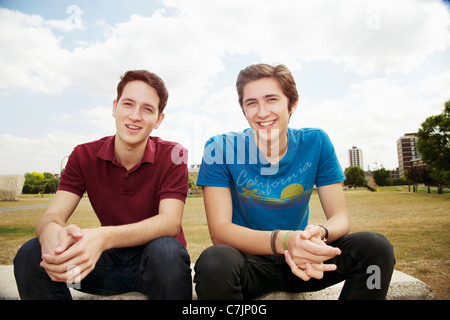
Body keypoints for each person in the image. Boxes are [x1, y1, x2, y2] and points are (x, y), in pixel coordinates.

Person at [194, 63, 395, 300]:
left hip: (304, 260)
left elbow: (340, 218)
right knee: (214, 262)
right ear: (243, 110)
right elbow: (220, 231)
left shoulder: (316, 142)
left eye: (271, 100)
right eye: (251, 103)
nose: (262, 112)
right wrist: (285, 241)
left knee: (375, 248)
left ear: (293, 103)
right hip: (249, 264)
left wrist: (318, 234)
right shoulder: (219, 148)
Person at [14, 70, 192, 300]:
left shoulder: (173, 155)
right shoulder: (83, 155)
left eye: (147, 109)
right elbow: (52, 216)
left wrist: (102, 237)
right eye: (128, 104)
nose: (135, 116)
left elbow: (169, 222)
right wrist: (50, 232)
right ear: (115, 107)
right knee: (31, 253)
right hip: (101, 266)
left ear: (158, 120)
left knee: (166, 251)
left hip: (156, 267)